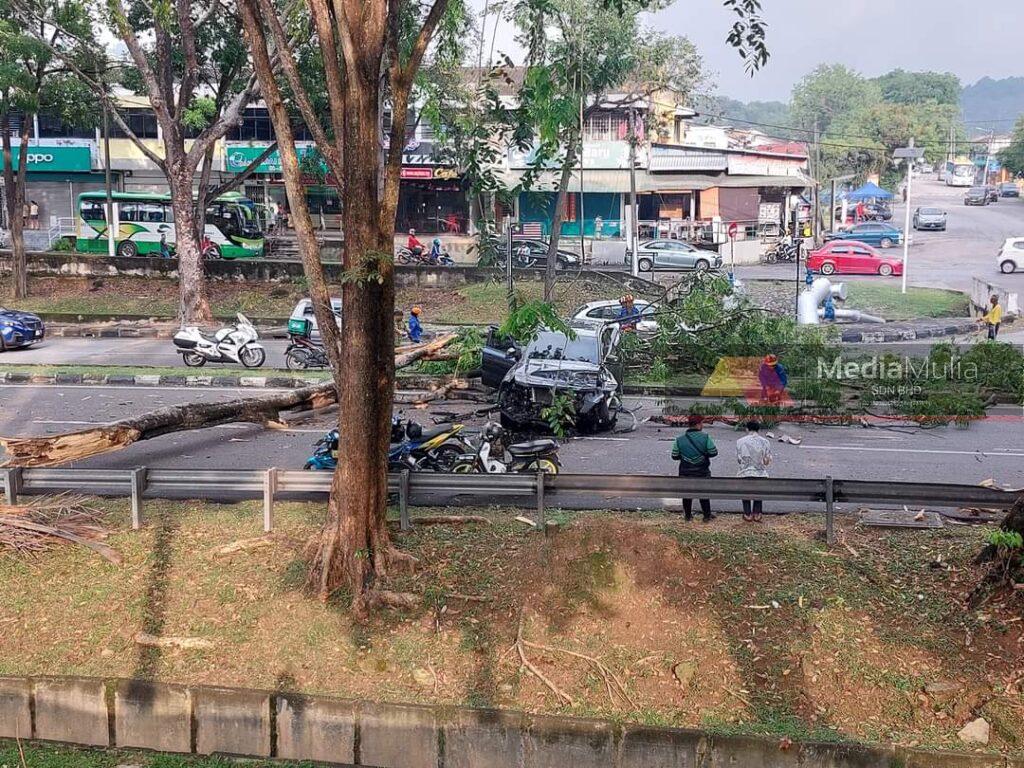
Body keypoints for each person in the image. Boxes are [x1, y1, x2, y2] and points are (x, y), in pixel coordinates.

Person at [671, 414, 718, 522]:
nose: (702, 425)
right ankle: (706, 516)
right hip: (702, 471)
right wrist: (703, 455)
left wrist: (685, 456)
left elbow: (674, 456)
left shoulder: (679, 439)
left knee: (686, 494)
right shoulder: (706, 437)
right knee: (704, 493)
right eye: (701, 423)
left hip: (685, 470)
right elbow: (713, 453)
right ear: (698, 424)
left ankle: (687, 516)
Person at [736, 420, 771, 522]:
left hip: (744, 473)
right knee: (758, 491)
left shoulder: (739, 441)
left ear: (747, 429)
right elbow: (766, 461)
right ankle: (757, 513)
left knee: (745, 492)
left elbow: (739, 460)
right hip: (760, 473)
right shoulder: (766, 442)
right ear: (758, 429)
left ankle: (747, 514)